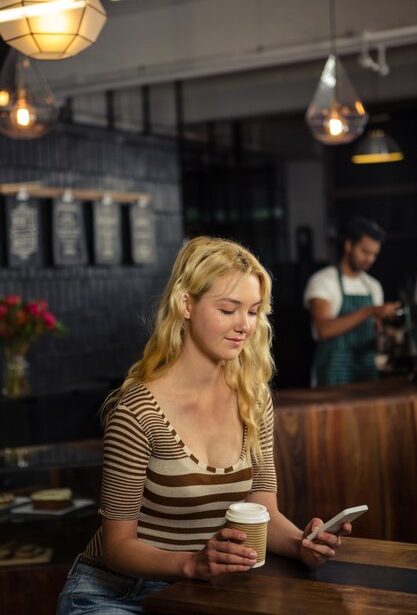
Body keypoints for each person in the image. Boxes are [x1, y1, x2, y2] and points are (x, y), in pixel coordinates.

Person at [57, 236, 352, 615]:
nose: (244, 325)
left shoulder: (253, 397)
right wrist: (192, 564)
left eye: (253, 311)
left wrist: (302, 544)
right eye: (229, 309)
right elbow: (117, 547)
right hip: (115, 594)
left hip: (203, 592)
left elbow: (261, 509)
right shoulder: (136, 411)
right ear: (186, 304)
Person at [303, 217, 400, 386]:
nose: (370, 259)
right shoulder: (323, 281)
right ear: (349, 245)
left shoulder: (373, 286)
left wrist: (387, 331)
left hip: (366, 371)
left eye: (374, 254)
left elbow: (376, 332)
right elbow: (324, 329)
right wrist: (369, 311)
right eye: (365, 252)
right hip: (332, 373)